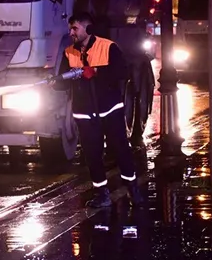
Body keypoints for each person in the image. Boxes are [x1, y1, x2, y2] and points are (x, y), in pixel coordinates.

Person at [49, 11, 142, 208]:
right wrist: (55, 83)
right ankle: (101, 194)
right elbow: (64, 82)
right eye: (70, 29)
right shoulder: (69, 52)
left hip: (110, 109)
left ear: (88, 29)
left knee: (121, 150)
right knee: (92, 155)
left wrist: (97, 71)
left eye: (75, 29)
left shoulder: (108, 47)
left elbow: (122, 72)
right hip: (84, 113)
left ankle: (132, 188)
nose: (71, 33)